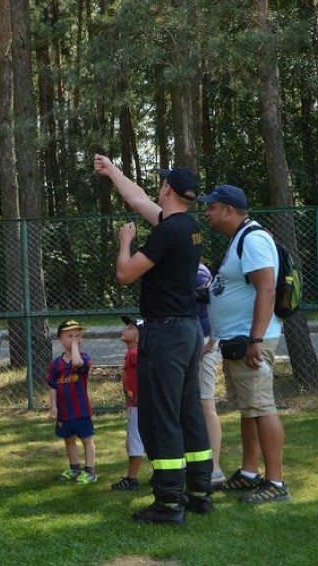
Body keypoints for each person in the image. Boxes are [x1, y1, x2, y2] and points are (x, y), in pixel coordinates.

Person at [94, 155, 213, 525]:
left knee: (161, 417)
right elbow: (137, 200)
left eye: (161, 184)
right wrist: (113, 171)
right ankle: (198, 493)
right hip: (189, 328)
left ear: (167, 189)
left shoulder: (167, 232)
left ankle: (168, 501)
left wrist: (125, 242)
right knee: (188, 411)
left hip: (165, 333)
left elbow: (125, 274)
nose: (155, 189)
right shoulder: (187, 227)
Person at [198, 184, 289, 504]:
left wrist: (256, 339)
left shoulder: (253, 239)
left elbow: (267, 290)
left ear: (229, 210)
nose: (207, 212)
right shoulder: (239, 239)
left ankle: (276, 482)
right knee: (249, 409)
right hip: (236, 339)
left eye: (212, 207)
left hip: (250, 341)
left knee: (262, 408)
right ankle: (250, 473)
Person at [45, 319, 97, 484]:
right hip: (65, 411)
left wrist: (74, 345)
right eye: (69, 336)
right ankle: (74, 468)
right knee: (68, 440)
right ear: (60, 339)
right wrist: (53, 407)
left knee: (86, 439)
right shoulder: (56, 364)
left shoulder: (83, 358)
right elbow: (53, 386)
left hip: (80, 410)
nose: (73, 339)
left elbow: (76, 363)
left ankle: (90, 471)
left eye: (76, 336)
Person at [197, 261, 226, 487]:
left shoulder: (198, 272)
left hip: (204, 341)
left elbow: (216, 304)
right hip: (188, 341)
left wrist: (212, 341)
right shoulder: (180, 267)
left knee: (206, 404)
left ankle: (215, 468)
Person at [111, 315, 145, 491]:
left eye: (131, 328)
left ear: (140, 336)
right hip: (136, 405)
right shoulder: (131, 353)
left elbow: (148, 373)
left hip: (138, 406)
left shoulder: (135, 354)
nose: (125, 330)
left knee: (134, 441)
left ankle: (132, 479)